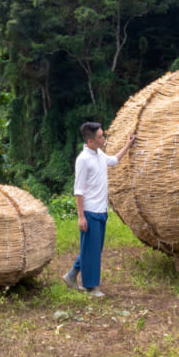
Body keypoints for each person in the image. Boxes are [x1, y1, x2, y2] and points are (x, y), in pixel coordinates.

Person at [62, 122, 135, 297]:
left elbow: (114, 160)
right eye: (100, 137)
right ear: (90, 140)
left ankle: (71, 275)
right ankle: (90, 287)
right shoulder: (83, 160)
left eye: (103, 135)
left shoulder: (99, 154)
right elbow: (78, 190)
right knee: (92, 250)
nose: (104, 139)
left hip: (101, 210)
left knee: (93, 248)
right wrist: (81, 217)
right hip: (89, 211)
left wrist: (128, 144)